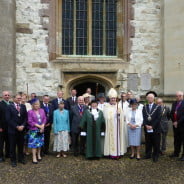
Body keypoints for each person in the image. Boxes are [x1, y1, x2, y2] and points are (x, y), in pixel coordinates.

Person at [103, 88, 128, 159]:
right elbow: (105, 116)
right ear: (109, 99)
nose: (113, 99)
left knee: (117, 139)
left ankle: (118, 153)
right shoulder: (106, 106)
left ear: (116, 99)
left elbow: (122, 117)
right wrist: (110, 117)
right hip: (110, 127)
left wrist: (119, 115)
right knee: (110, 139)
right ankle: (110, 153)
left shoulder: (119, 106)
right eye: (112, 98)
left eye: (114, 98)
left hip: (117, 127)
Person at [6, 94, 27, 167]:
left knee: (21, 145)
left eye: (20, 98)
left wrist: (23, 125)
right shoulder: (9, 107)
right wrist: (16, 126)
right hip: (13, 130)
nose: (19, 99)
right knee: (12, 146)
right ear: (13, 98)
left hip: (21, 130)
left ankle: (21, 158)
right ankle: (13, 160)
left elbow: (25, 118)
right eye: (18, 98)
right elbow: (8, 119)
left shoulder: (23, 106)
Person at [142, 92, 162, 162]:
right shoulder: (144, 107)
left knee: (156, 142)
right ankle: (148, 154)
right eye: (148, 98)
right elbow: (143, 117)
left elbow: (158, 118)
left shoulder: (158, 107)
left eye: (151, 98)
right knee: (148, 142)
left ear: (154, 99)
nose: (149, 99)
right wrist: (146, 125)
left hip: (155, 128)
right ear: (147, 99)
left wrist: (152, 126)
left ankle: (155, 155)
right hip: (147, 128)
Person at [27, 99, 46, 164]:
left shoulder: (42, 110)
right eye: (35, 104)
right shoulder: (30, 112)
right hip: (34, 130)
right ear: (32, 105)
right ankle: (34, 157)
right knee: (34, 145)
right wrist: (39, 126)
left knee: (39, 144)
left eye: (37, 104)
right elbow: (30, 121)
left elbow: (44, 119)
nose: (36, 105)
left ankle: (38, 155)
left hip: (41, 130)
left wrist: (42, 126)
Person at [170, 91, 184, 160]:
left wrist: (178, 122)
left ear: (182, 96)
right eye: (177, 96)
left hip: (182, 125)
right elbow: (172, 113)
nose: (177, 97)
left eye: (179, 96)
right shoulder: (174, 103)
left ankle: (183, 156)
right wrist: (173, 121)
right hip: (175, 125)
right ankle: (176, 153)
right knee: (176, 140)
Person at [0, 91, 12, 162]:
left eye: (8, 95)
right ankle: (1, 156)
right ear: (2, 96)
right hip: (2, 127)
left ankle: (8, 153)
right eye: (5, 95)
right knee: (1, 142)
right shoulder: (0, 104)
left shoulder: (11, 103)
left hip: (10, 127)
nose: (7, 96)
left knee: (9, 141)